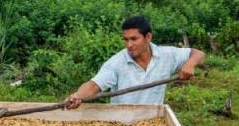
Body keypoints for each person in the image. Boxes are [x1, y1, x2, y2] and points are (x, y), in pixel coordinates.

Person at [65, 16, 205, 108]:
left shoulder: (166, 55)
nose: (129, 45)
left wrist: (189, 64)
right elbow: (94, 85)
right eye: (126, 40)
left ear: (148, 37)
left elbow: (198, 54)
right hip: (121, 122)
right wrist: (78, 96)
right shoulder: (116, 63)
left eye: (134, 39)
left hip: (152, 121)